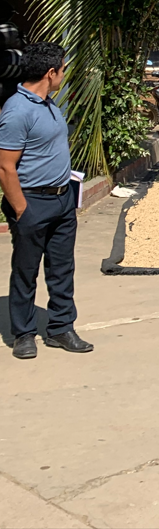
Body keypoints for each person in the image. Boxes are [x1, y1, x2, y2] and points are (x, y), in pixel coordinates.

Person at [0, 42, 92, 359]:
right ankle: (23, 334)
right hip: (32, 203)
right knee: (26, 272)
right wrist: (21, 209)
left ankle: (61, 329)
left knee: (62, 269)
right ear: (51, 73)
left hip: (62, 201)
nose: (64, 75)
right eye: (63, 70)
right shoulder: (17, 110)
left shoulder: (48, 104)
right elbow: (5, 166)